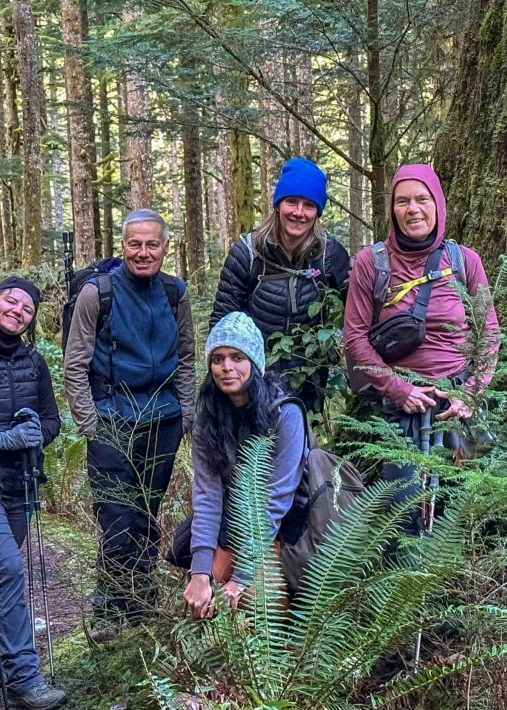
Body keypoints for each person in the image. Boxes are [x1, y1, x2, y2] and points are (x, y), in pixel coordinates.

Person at [342, 163, 499, 533]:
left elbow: (488, 333)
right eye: (403, 201)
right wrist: (398, 389)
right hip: (402, 409)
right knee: (403, 519)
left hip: (459, 406)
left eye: (422, 199)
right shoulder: (372, 263)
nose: (413, 209)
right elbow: (355, 338)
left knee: (464, 521)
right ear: (392, 210)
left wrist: (471, 393)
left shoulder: (464, 261)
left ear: (437, 205)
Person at [63, 208, 196, 641]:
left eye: (151, 244)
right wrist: (90, 424)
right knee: (116, 518)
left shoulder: (175, 293)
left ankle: (140, 606)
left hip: (163, 421)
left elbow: (188, 358)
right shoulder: (97, 294)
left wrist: (187, 416)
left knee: (145, 515)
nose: (143, 252)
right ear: (122, 246)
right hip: (111, 420)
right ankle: (109, 608)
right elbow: (75, 363)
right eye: (134, 244)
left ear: (165, 247)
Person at [0, 275, 68, 710]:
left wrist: (34, 432)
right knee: (7, 567)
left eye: (27, 308)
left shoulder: (34, 361)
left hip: (21, 485)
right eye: (11, 300)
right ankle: (24, 676)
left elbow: (52, 420)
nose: (17, 311)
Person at [182, 312, 308, 620]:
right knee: (201, 600)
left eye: (237, 357)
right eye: (218, 359)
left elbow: (275, 502)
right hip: (232, 524)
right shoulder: (207, 417)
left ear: (254, 362)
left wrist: (241, 577)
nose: (227, 367)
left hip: (281, 529)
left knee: (259, 600)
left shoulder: (285, 414)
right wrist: (200, 573)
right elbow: (207, 494)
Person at [210, 158, 350, 413]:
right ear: (278, 205)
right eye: (291, 202)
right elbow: (222, 321)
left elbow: (356, 312)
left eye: (309, 205)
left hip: (310, 380)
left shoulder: (329, 255)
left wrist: (335, 345)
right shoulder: (247, 254)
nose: (299, 212)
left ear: (317, 212)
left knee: (301, 438)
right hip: (253, 378)